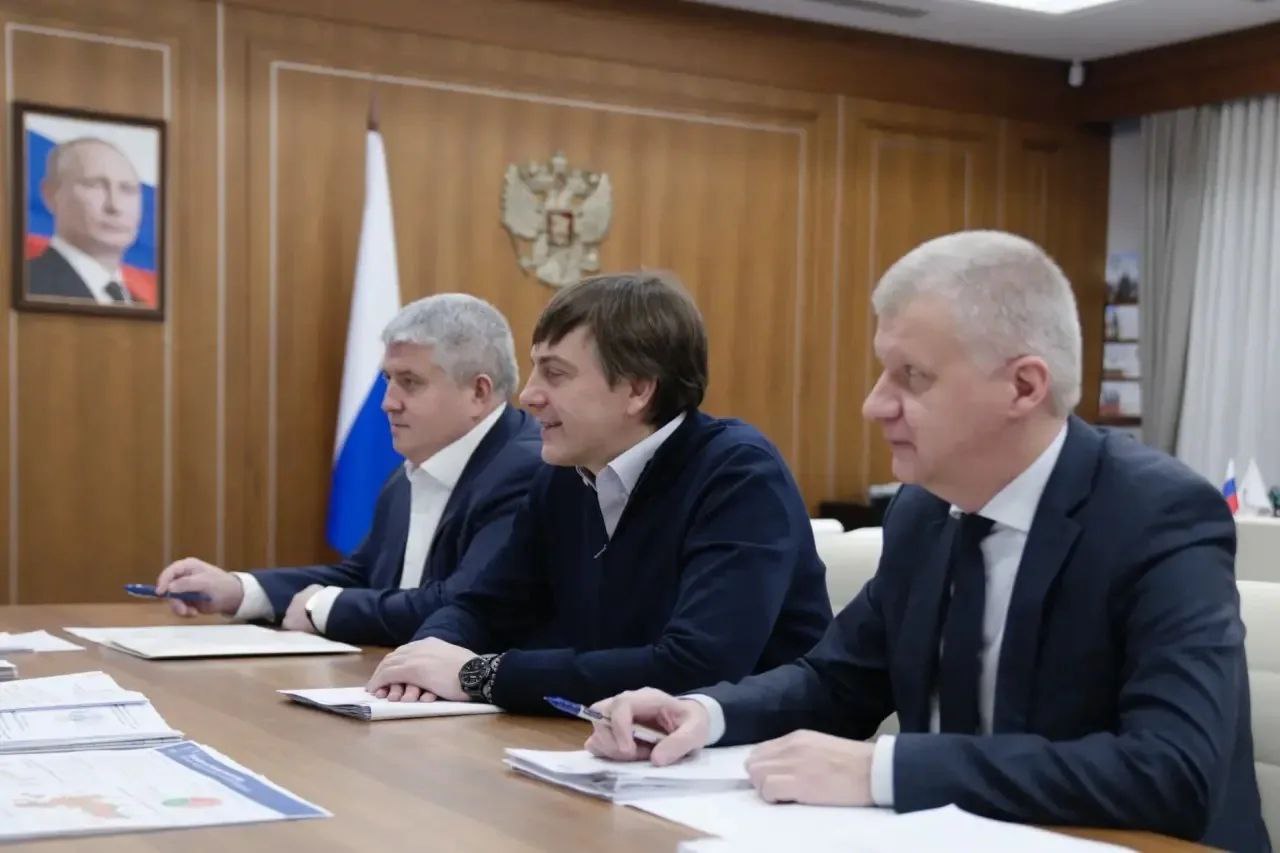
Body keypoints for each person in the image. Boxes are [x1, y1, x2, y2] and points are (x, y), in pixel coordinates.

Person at [584, 232, 1268, 851]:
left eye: (912, 376)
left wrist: (885, 769)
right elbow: (836, 679)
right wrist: (702, 713)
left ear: (1024, 386)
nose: (874, 404)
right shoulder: (923, 512)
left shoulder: (1157, 515)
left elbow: (1172, 770)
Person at [365, 272, 832, 712]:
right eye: (534, 369)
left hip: (750, 753)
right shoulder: (564, 473)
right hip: (604, 739)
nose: (528, 395)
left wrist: (479, 675)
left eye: (555, 374)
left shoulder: (740, 475)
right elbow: (486, 606)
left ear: (637, 390)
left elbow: (695, 666)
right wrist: (425, 657)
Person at [154, 293, 543, 646]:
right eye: (388, 379)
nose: (388, 403)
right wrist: (240, 590)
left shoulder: (525, 472)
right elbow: (362, 577)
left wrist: (322, 609)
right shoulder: (409, 473)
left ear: (478, 392)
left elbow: (464, 605)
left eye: (410, 382)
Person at [27, 137, 153, 307]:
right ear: (51, 195)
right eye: (94, 185)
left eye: (128, 189)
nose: (115, 206)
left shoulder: (142, 307)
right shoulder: (22, 284)